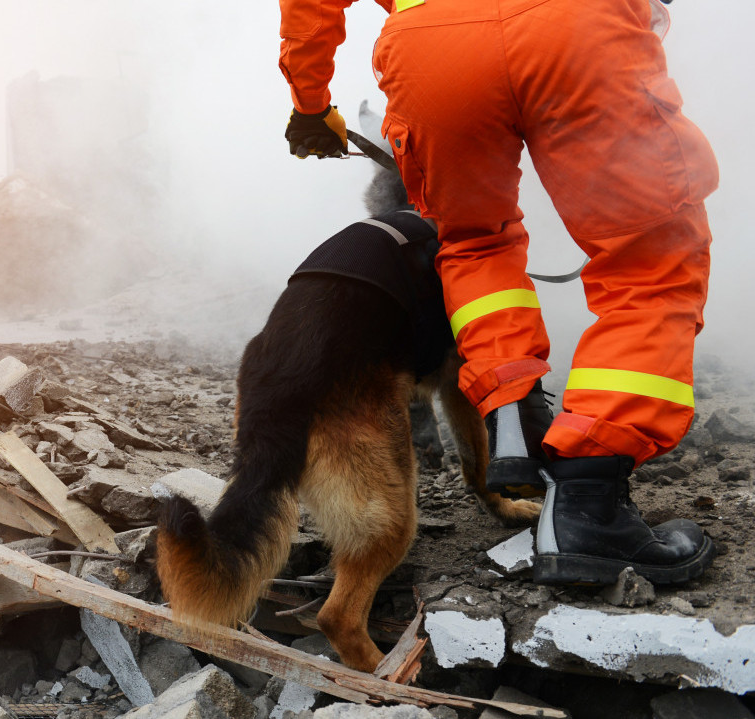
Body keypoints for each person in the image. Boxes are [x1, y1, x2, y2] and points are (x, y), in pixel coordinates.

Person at [278, 0, 718, 586]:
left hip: (432, 45)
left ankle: (514, 420)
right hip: (571, 24)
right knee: (650, 258)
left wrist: (310, 102)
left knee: (473, 242)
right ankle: (589, 505)